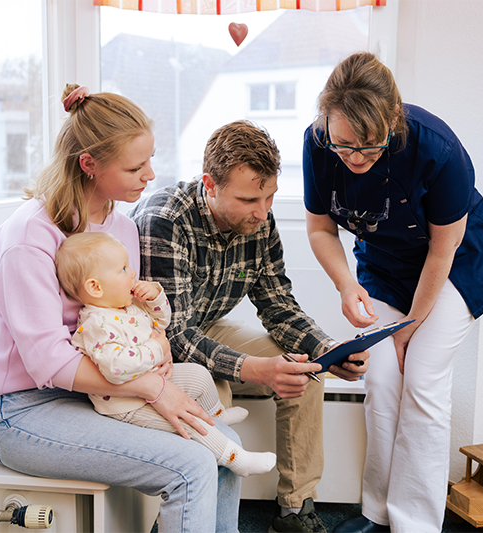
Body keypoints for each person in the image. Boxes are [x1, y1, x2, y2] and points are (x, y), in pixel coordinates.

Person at [0, 84, 242, 533]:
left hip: (95, 395)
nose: (150, 175)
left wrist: (157, 341)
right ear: (89, 164)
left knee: (226, 444)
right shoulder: (29, 237)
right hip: (20, 408)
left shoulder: (122, 228)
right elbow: (49, 362)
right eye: (135, 167)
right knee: (192, 465)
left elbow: (128, 314)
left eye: (150, 160)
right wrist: (153, 388)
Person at [303, 53, 483, 533]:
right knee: (380, 378)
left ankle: (415, 525)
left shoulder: (439, 149)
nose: (355, 158)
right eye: (343, 145)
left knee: (422, 376)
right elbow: (319, 229)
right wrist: (346, 284)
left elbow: (443, 249)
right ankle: (378, 515)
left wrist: (409, 327)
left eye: (369, 146)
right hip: (385, 266)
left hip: (456, 263)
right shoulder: (318, 143)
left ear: (393, 117)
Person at [131, 120, 370, 533]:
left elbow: (278, 304)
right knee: (214, 393)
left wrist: (326, 349)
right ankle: (194, 519)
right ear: (210, 185)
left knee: (304, 370)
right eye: (248, 199)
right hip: (154, 343)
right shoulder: (164, 221)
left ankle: (295, 509)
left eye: (270, 196)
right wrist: (255, 369)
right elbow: (176, 335)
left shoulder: (259, 221)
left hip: (207, 326)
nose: (263, 211)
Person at [55, 231, 277, 477]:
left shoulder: (126, 306)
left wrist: (155, 298)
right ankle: (237, 459)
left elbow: (162, 322)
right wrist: (157, 349)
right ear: (95, 287)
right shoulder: (97, 324)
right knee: (187, 422)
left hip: (152, 378)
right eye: (123, 269)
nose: (133, 273)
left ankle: (217, 415)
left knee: (199, 375)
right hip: (126, 403)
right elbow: (117, 369)